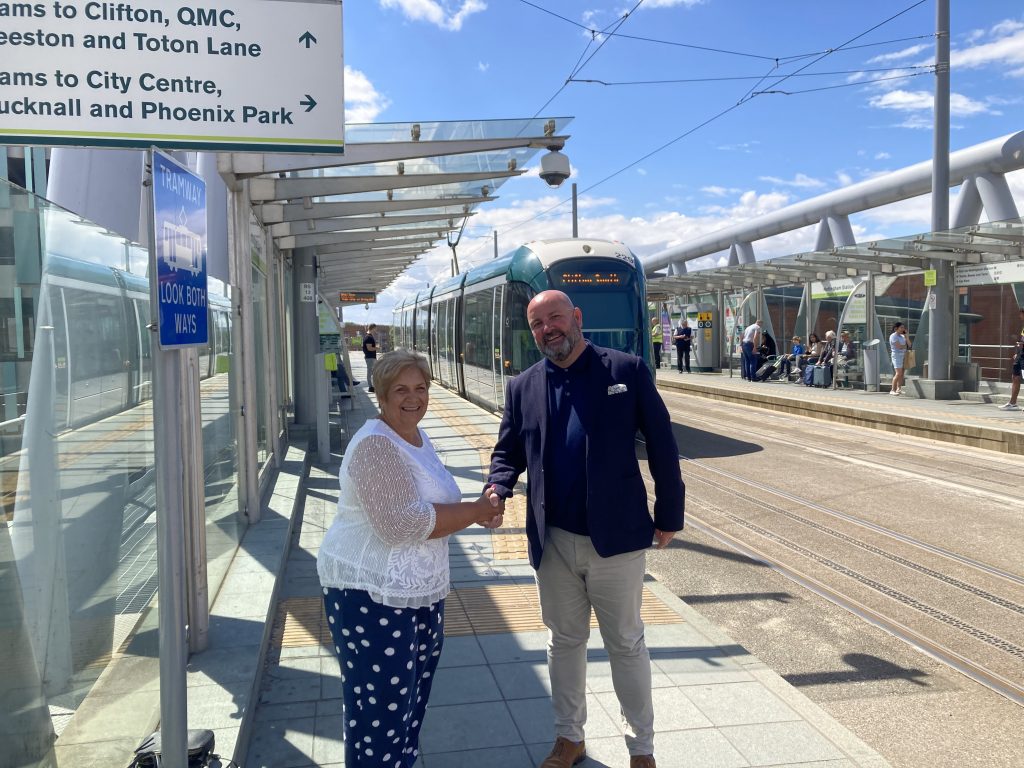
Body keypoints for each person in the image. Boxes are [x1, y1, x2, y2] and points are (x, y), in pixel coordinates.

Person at [487, 290, 684, 768]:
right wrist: (498, 487)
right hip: (553, 540)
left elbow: (661, 443)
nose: (548, 328)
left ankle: (642, 749)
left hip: (616, 538)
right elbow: (507, 451)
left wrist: (669, 514)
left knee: (626, 643)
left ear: (576, 317)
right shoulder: (523, 386)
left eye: (555, 317)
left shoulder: (626, 370)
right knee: (563, 642)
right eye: (537, 324)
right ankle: (569, 737)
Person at [317, 350, 504, 767]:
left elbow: (430, 505)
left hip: (416, 592)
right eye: (401, 389)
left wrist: (479, 511)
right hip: (370, 594)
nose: (413, 397)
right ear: (381, 394)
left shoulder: (415, 436)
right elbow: (400, 525)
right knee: (380, 711)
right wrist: (475, 511)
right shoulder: (375, 446)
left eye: (420, 388)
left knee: (407, 705)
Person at [998, 307, 1024, 410]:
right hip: (1021, 355)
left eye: (1021, 314)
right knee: (1015, 377)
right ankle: (1012, 403)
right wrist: (1018, 352)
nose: (1020, 316)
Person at [888, 322, 908, 396]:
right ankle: (892, 389)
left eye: (903, 327)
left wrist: (907, 337)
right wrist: (905, 346)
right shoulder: (893, 336)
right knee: (898, 373)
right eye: (901, 327)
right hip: (896, 356)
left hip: (903, 355)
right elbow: (899, 346)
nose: (903, 329)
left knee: (902, 373)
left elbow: (909, 345)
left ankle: (898, 389)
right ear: (896, 328)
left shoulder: (903, 336)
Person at [363, 323, 379, 392]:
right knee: (370, 372)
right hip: (370, 357)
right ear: (373, 328)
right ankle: (370, 387)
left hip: (371, 357)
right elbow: (369, 348)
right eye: (375, 328)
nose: (376, 330)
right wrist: (377, 348)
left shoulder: (368, 336)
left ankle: (373, 386)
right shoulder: (369, 337)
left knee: (373, 372)